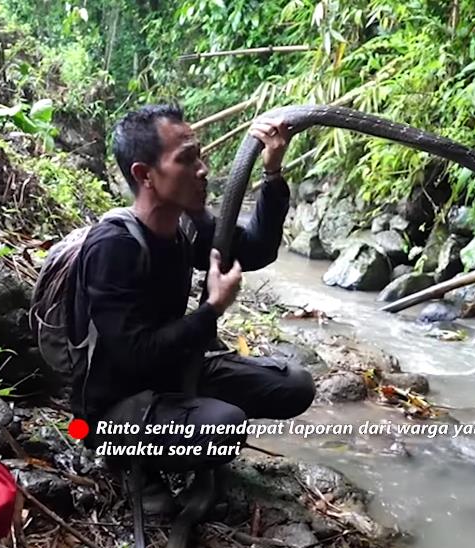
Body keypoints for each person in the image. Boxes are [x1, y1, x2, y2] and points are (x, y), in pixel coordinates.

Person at [68, 104, 315, 513]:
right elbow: (135, 353)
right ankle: (125, 458)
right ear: (144, 174)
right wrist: (211, 311)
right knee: (224, 428)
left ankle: (177, 433)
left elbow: (255, 249)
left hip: (173, 371)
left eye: (199, 155)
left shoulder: (186, 224)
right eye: (185, 159)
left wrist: (272, 173)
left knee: (295, 386)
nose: (202, 169)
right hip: (112, 404)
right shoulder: (114, 246)